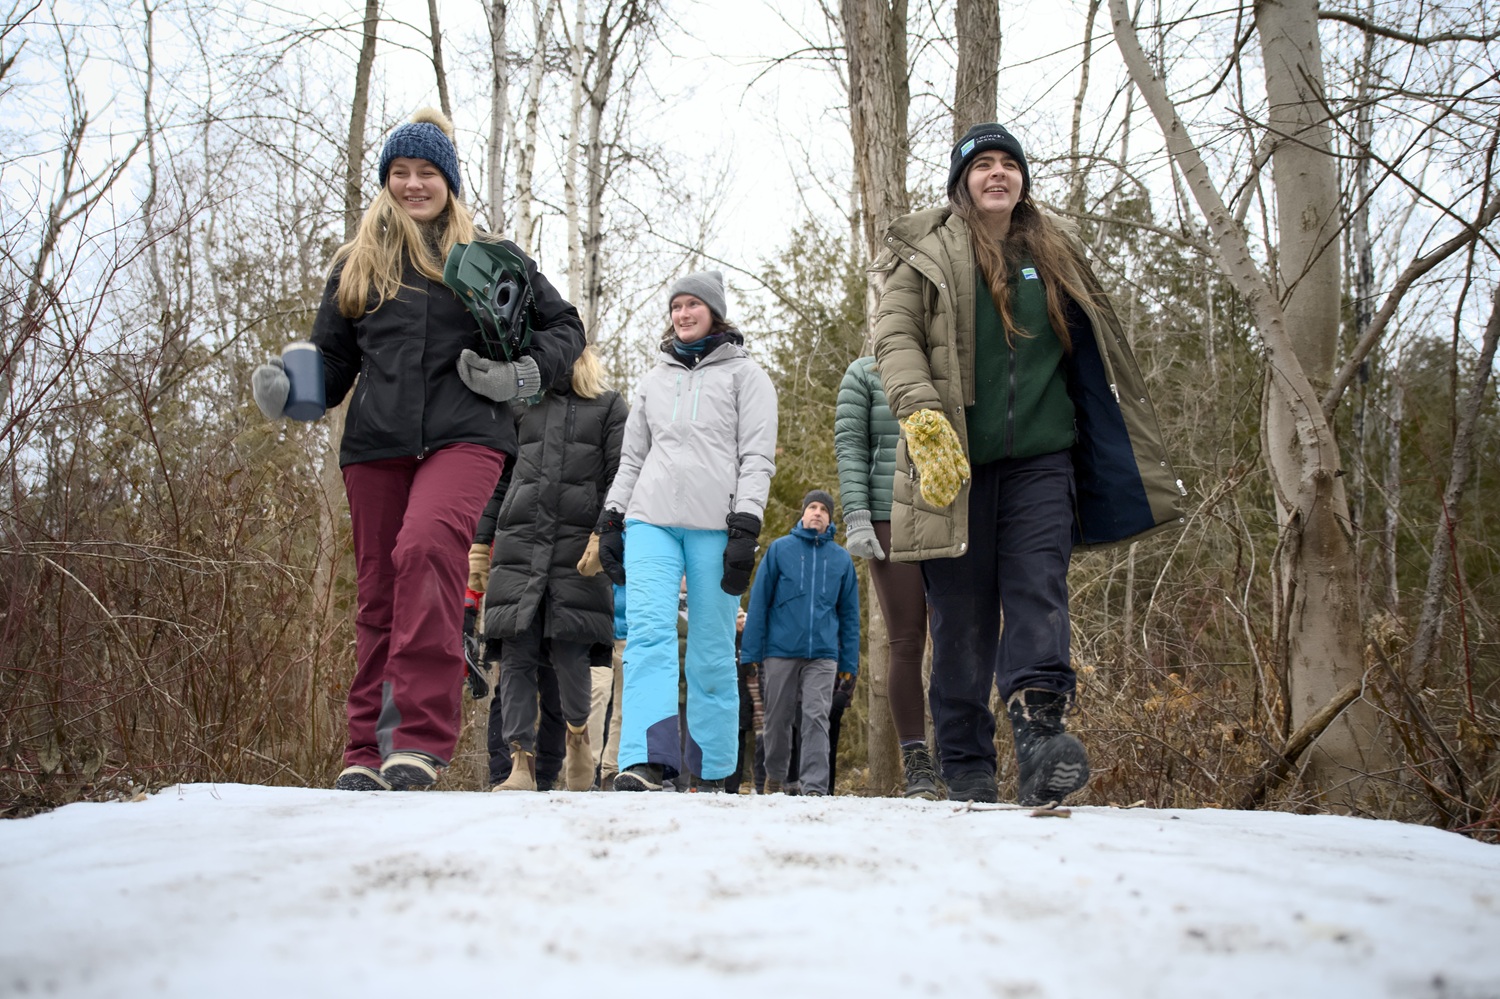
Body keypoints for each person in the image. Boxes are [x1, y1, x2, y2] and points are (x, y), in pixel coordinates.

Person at [250, 108, 585, 791]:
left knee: (427, 547)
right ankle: (365, 752)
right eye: (399, 173)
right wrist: (292, 393)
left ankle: (420, 739)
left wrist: (521, 375)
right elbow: (333, 367)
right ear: (385, 181)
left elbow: (564, 328)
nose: (411, 185)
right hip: (375, 443)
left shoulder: (492, 257)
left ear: (449, 181)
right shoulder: (357, 264)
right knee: (378, 592)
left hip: (468, 434)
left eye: (425, 172)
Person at [871, 122, 1183, 806]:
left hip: (1044, 459)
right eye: (983, 164)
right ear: (962, 182)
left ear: (1022, 181)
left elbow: (1099, 355)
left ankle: (1042, 736)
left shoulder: (1056, 252)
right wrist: (921, 413)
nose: (998, 174)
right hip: (953, 466)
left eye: (1009, 163)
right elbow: (893, 337)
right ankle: (966, 763)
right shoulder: (926, 252)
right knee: (962, 616)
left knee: (1038, 588)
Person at [594, 271, 777, 792]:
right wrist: (613, 516)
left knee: (713, 648)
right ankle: (647, 761)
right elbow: (632, 458)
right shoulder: (654, 379)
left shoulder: (748, 377)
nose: (683, 314)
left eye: (693, 304)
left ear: (715, 312)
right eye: (676, 306)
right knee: (647, 635)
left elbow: (757, 457)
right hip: (650, 521)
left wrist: (747, 523)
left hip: (715, 527)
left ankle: (715, 770)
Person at [483, 346, 627, 792]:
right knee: (516, 656)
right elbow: (500, 478)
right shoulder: (521, 403)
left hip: (577, 547)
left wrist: (605, 533)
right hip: (520, 544)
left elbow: (620, 474)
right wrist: (479, 542)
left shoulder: (608, 405)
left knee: (570, 654)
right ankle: (519, 764)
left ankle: (578, 737)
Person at [834, 354, 939, 799]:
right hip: (886, 514)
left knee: (960, 635)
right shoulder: (865, 372)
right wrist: (856, 512)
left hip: (950, 511)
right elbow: (851, 443)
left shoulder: (953, 360)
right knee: (906, 640)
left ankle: (962, 756)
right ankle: (917, 762)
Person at [739, 490, 860, 797]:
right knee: (777, 718)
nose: (817, 512)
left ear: (830, 519)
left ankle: (815, 787)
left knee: (816, 717)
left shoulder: (841, 560)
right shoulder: (780, 550)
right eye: (812, 507)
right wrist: (751, 653)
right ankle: (776, 777)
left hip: (823, 654)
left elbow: (849, 616)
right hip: (780, 650)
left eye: (823, 509)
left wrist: (848, 666)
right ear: (803, 514)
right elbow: (759, 602)